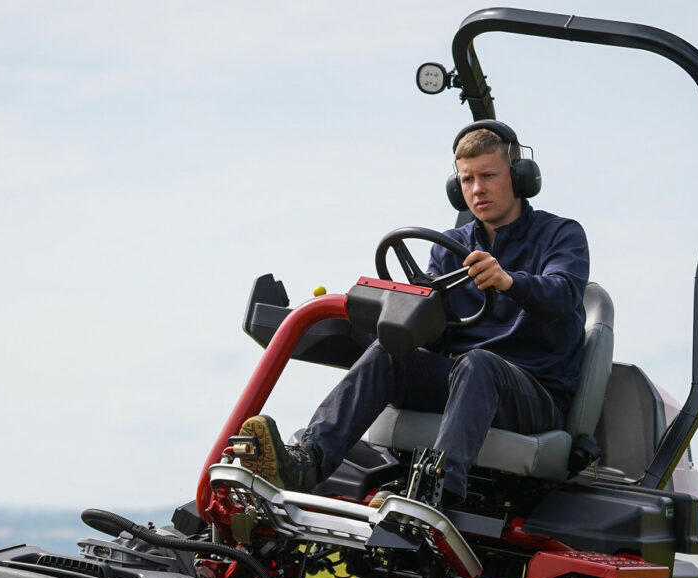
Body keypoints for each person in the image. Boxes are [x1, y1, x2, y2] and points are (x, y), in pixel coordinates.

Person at [239, 120, 590, 509]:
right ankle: (308, 462)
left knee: (479, 364)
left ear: (520, 178)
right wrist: (410, 312)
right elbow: (438, 335)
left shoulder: (561, 235)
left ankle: (435, 495)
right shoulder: (450, 248)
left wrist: (510, 282)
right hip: (465, 380)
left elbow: (564, 293)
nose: (478, 189)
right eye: (468, 179)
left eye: (489, 175)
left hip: (534, 392)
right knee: (390, 353)